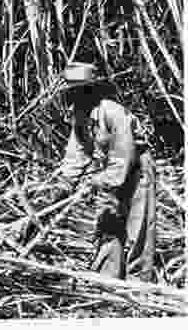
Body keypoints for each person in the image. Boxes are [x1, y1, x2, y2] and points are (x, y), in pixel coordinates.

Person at [57, 62, 156, 282]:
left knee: (138, 226)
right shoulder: (80, 114)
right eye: (71, 89)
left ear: (90, 89)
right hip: (109, 171)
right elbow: (77, 153)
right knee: (107, 222)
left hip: (137, 168)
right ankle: (108, 279)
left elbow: (123, 158)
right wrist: (63, 186)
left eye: (79, 89)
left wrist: (99, 182)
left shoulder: (113, 112)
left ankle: (139, 284)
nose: (73, 95)